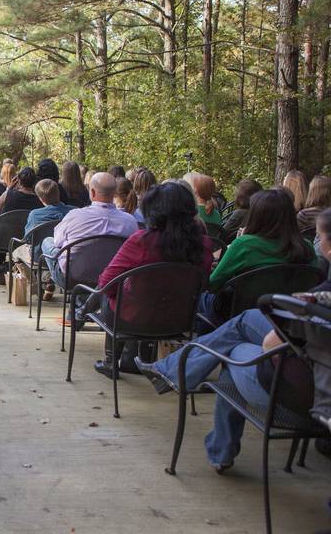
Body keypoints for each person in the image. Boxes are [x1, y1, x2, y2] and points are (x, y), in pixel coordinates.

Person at [136, 206, 331, 473]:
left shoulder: (318, 299)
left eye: (322, 237)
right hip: (307, 358)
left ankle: (176, 377)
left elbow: (214, 284)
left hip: (300, 392)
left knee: (232, 350)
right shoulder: (306, 250)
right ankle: (176, 378)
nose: (318, 242)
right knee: (244, 321)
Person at [88, 182, 214, 378]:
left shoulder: (141, 241)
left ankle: (110, 361)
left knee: (111, 294)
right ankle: (137, 359)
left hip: (134, 318)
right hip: (181, 320)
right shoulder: (203, 244)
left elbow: (106, 283)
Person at [198, 188, 317, 328]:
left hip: (237, 313)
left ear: (257, 215)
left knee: (199, 297)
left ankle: (202, 345)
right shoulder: (307, 247)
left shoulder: (245, 245)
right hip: (287, 317)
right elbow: (314, 285)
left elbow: (212, 285)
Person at [41, 172, 139, 291]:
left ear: (92, 193)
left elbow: (57, 242)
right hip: (114, 279)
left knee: (47, 242)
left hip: (72, 278)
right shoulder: (130, 222)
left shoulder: (75, 216)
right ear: (114, 193)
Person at [8, 179, 75, 279]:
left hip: (39, 256)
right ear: (58, 193)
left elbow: (28, 239)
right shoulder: (73, 211)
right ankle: (48, 280)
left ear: (40, 198)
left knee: (15, 253)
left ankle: (34, 284)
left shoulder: (35, 214)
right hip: (66, 254)